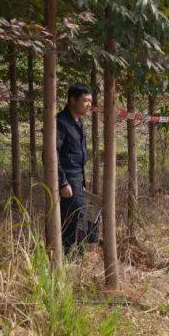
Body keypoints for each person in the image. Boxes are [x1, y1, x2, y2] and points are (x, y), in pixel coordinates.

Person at [57, 84, 93, 256]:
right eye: (85, 100)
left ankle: (77, 254)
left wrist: (83, 183)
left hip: (78, 178)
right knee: (74, 218)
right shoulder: (61, 122)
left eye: (90, 101)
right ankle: (70, 255)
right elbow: (52, 154)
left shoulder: (79, 122)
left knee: (81, 216)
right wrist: (62, 182)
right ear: (72, 100)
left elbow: (79, 157)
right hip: (68, 178)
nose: (88, 105)